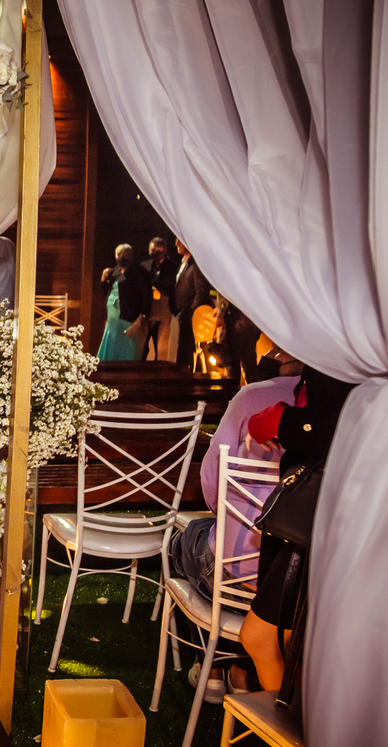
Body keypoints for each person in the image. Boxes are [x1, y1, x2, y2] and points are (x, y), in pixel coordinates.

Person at [170, 347, 301, 701]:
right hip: (292, 585)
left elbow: (212, 485)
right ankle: (241, 672)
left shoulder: (252, 397)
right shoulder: (330, 415)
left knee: (186, 542)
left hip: (233, 571)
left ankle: (211, 667)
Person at [239, 360, 356, 693]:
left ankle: (296, 725)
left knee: (261, 638)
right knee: (293, 648)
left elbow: (346, 428)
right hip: (317, 511)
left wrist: (282, 420)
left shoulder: (350, 348)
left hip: (327, 512)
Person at [97, 244, 151, 361]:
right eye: (119, 255)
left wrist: (142, 316)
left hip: (128, 316)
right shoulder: (115, 271)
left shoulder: (139, 272)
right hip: (113, 317)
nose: (121, 258)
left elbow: (147, 295)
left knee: (127, 348)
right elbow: (107, 291)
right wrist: (103, 279)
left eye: (125, 255)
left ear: (130, 257)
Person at [169, 237, 211, 367]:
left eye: (179, 240)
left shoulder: (196, 264)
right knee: (179, 351)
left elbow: (201, 290)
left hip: (189, 317)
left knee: (186, 352)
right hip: (179, 314)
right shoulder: (183, 262)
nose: (176, 243)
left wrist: (192, 312)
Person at [141, 236, 179, 360]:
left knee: (161, 349)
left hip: (163, 310)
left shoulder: (173, 267)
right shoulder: (144, 265)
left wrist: (159, 290)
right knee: (142, 348)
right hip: (147, 310)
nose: (155, 253)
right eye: (153, 250)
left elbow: (173, 286)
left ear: (165, 250)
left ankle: (160, 371)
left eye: (159, 250)